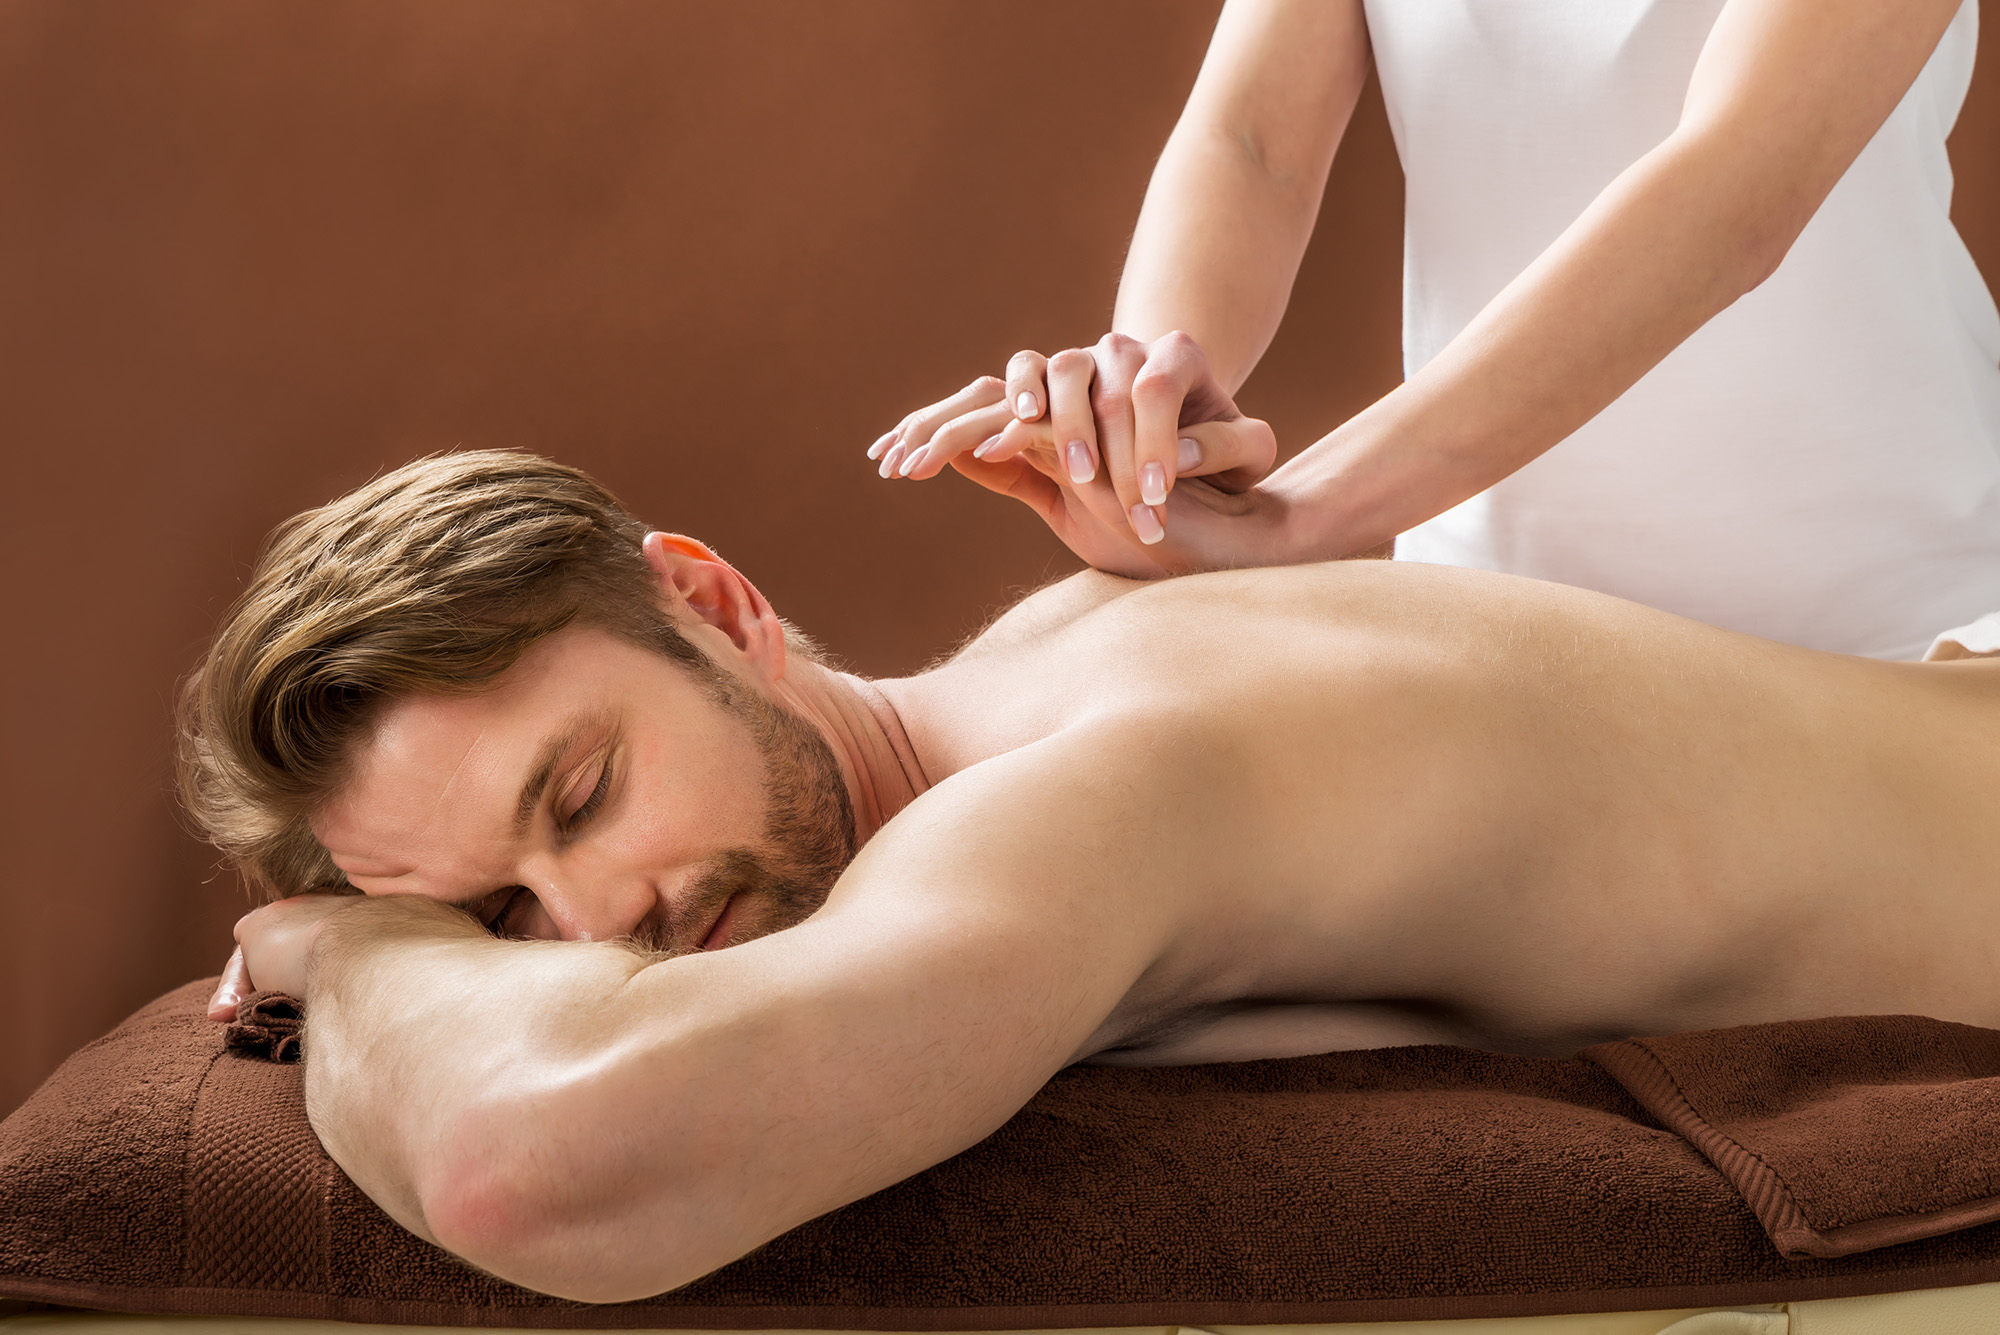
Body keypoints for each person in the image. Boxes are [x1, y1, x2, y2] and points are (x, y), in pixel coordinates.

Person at [183, 450, 2000, 1303]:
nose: (593, 928)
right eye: (496, 917)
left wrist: (359, 949)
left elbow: (539, 1162)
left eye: (583, 794)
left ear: (715, 605)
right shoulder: (1037, 678)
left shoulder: (1080, 781)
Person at [869, 0, 2000, 660]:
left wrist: (1300, 519)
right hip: (1501, 635)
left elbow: (1733, 194)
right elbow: (1253, 143)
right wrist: (1141, 429)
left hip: (1900, 625)